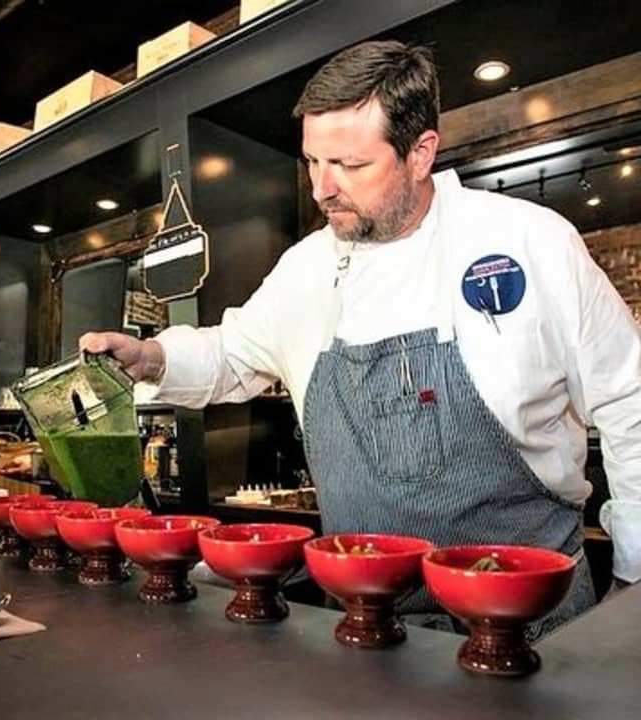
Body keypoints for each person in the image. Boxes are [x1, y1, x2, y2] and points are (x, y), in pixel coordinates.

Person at [81, 40, 641, 633]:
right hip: (368, 623)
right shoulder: (305, 268)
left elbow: (629, 401)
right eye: (312, 162)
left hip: (530, 622)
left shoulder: (528, 242)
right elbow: (231, 353)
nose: (322, 188)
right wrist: (152, 357)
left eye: (349, 165)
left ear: (420, 153)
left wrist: (634, 574)